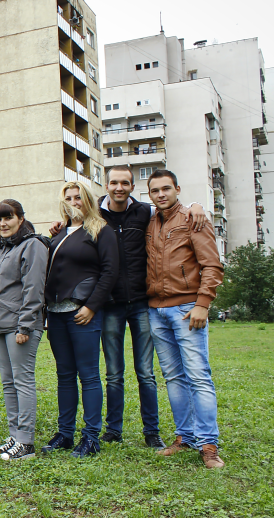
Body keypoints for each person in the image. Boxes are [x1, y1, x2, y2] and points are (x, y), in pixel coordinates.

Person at [91, 165, 206, 449]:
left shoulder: (145, 212)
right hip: (111, 304)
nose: (119, 188)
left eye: (125, 183)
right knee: (113, 373)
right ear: (106, 185)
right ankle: (113, 429)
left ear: (133, 187)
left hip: (143, 303)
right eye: (114, 183)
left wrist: (196, 204)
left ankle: (151, 431)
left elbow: (174, 210)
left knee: (146, 373)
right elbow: (72, 221)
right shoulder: (95, 215)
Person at [145, 169, 225, 469]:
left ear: (177, 189)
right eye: (155, 190)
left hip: (187, 308)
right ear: (149, 194)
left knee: (198, 376)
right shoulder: (149, 221)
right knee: (174, 377)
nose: (161, 194)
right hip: (156, 310)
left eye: (166, 188)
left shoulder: (193, 218)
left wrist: (203, 303)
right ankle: (185, 436)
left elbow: (212, 265)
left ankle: (208, 445)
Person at [41, 182, 118, 458]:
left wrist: (91, 306)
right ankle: (65, 433)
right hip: (55, 313)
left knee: (88, 375)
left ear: (88, 200)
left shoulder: (101, 230)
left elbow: (110, 272)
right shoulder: (59, 233)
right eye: (68, 198)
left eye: (78, 197)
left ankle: (91, 437)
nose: (74, 202)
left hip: (82, 314)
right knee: (64, 375)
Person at [0, 200, 49, 460]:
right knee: (8, 382)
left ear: (20, 219)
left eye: (8, 218)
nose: (3, 224)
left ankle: (26, 441)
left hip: (20, 326)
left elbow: (33, 288)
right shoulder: (4, 248)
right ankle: (14, 436)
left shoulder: (32, 245)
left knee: (22, 381)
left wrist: (25, 325)